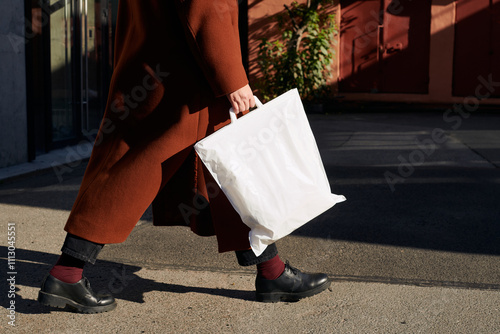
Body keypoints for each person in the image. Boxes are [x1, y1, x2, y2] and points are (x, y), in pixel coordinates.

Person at [38, 0, 330, 313]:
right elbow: (205, 8)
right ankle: (66, 273)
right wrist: (232, 78)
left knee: (228, 176)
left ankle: (271, 271)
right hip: (186, 80)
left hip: (161, 68)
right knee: (132, 173)